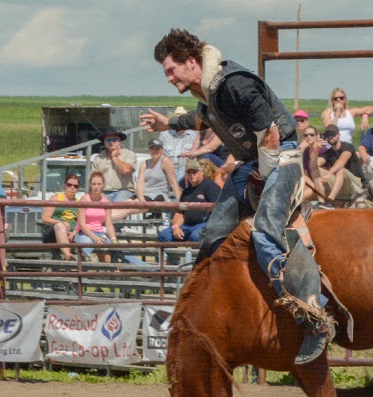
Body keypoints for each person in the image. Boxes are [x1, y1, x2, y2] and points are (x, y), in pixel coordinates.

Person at [141, 27, 333, 365]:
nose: (169, 78)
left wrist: (261, 175)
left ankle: (312, 317)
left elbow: (271, 134)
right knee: (214, 236)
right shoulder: (210, 93)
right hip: (251, 162)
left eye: (171, 70)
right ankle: (210, 317)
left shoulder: (233, 83)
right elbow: (202, 118)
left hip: (281, 157)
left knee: (265, 233)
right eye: (166, 73)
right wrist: (167, 123)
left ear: (190, 62)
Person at [158, 159, 220, 245]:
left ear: (201, 172)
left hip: (204, 225)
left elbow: (218, 209)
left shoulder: (210, 187)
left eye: (194, 172)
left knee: (196, 236)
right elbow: (180, 212)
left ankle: (196, 258)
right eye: (189, 173)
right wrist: (176, 227)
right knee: (164, 235)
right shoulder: (186, 192)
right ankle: (173, 258)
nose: (192, 175)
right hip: (187, 226)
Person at [73, 171, 117, 262]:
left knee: (110, 250)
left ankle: (108, 273)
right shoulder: (84, 199)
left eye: (99, 184)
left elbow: (108, 223)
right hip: (84, 233)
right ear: (90, 185)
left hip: (100, 233)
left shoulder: (106, 202)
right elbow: (82, 224)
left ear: (103, 185)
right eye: (93, 184)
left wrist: (114, 239)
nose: (96, 187)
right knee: (87, 243)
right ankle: (87, 266)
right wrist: (95, 238)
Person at [315, 124, 364, 201]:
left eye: (333, 134)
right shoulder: (328, 152)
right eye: (328, 135)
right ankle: (321, 201)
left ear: (338, 135)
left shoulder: (347, 147)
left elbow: (341, 162)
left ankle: (331, 199)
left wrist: (329, 173)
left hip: (356, 183)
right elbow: (315, 164)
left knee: (341, 169)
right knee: (316, 170)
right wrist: (315, 149)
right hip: (340, 182)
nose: (330, 136)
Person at [136, 139, 181, 220]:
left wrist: (180, 202)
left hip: (157, 196)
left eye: (158, 149)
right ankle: (108, 221)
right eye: (152, 149)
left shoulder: (165, 161)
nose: (155, 151)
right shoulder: (144, 163)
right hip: (144, 196)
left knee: (127, 208)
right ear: (149, 150)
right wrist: (141, 199)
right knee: (125, 203)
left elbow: (173, 182)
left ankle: (107, 220)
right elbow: (140, 183)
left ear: (162, 150)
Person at [91, 127, 137, 203]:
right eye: (108, 140)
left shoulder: (129, 154)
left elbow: (126, 170)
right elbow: (93, 179)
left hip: (124, 191)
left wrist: (114, 157)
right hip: (103, 192)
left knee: (117, 207)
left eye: (114, 139)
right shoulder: (98, 158)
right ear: (104, 142)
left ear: (119, 141)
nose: (111, 142)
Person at [41, 175, 81, 259]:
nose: (72, 187)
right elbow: (45, 218)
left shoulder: (79, 203)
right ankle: (68, 255)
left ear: (78, 188)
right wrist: (60, 222)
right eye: (69, 185)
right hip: (52, 233)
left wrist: (74, 233)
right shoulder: (56, 198)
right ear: (65, 185)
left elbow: (81, 222)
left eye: (75, 186)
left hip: (71, 235)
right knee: (60, 226)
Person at [158, 106, 198, 183]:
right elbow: (159, 152)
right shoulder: (164, 134)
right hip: (167, 165)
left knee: (183, 168)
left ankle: (178, 187)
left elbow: (195, 154)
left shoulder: (193, 135)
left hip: (185, 166)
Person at [300, 125, 328, 202]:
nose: (309, 137)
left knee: (307, 193)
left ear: (317, 136)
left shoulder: (323, 150)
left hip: (325, 184)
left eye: (311, 135)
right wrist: (313, 186)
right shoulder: (306, 151)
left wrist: (316, 150)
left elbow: (316, 168)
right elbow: (305, 174)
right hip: (314, 184)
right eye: (306, 135)